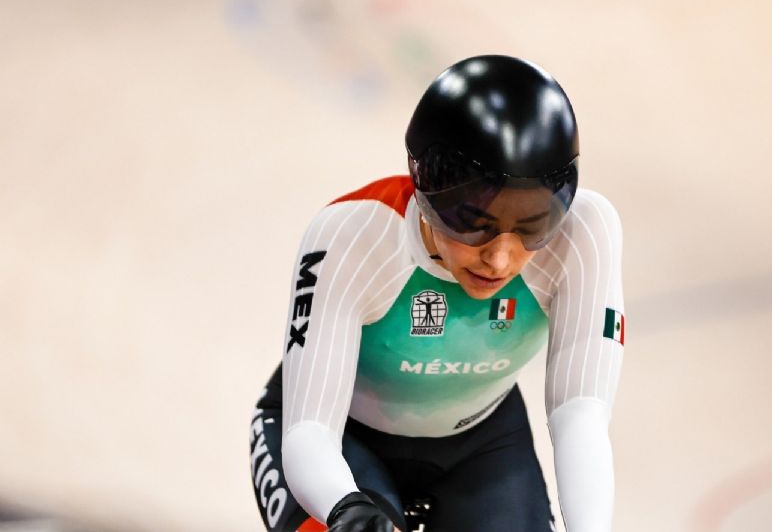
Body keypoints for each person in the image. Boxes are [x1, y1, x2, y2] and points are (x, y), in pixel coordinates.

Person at [249, 54, 625, 532]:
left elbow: (581, 415)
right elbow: (310, 433)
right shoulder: (354, 237)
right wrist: (345, 506)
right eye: (473, 226)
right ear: (425, 194)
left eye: (533, 229)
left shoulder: (586, 233)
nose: (500, 259)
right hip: (339, 437)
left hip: (481, 444)